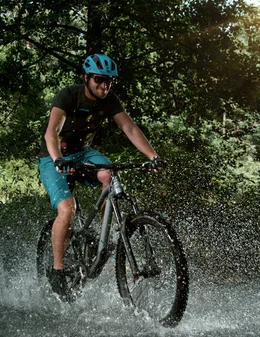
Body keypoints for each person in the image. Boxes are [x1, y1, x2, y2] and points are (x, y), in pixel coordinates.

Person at [37, 53, 166, 300]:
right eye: (98, 80)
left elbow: (129, 128)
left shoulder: (109, 100)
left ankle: (105, 236)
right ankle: (57, 270)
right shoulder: (68, 96)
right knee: (67, 210)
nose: (104, 86)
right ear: (86, 78)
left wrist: (153, 156)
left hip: (83, 153)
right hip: (53, 157)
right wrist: (57, 160)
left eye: (109, 81)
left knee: (110, 173)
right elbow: (51, 132)